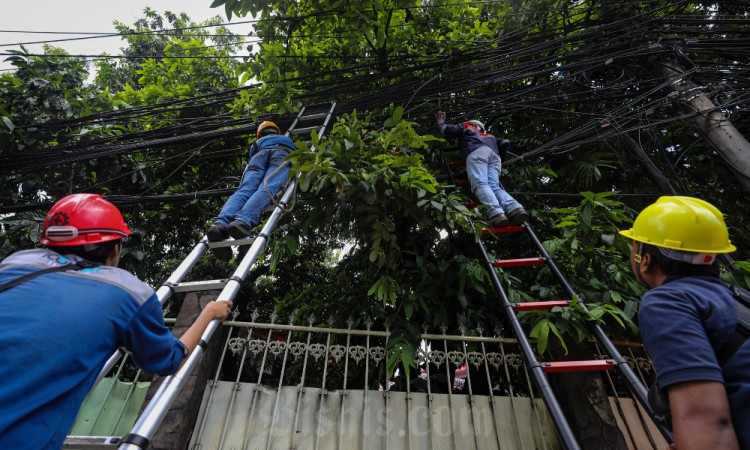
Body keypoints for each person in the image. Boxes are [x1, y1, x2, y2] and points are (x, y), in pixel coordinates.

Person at [0, 194, 233, 450]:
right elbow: (169, 361)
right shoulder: (128, 292)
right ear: (114, 249)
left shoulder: (14, 264)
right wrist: (208, 313)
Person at [619, 196, 748, 450]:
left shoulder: (668, 302)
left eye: (634, 246)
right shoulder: (740, 299)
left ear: (645, 260)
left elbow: (705, 418)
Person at [207, 120, 296, 260]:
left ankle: (220, 225)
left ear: (259, 134)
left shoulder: (257, 143)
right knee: (267, 187)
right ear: (276, 131)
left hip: (258, 156)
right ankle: (242, 221)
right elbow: (297, 156)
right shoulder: (286, 140)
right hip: (281, 154)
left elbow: (251, 156)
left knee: (244, 191)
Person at [435, 111, 528, 227]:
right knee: (494, 186)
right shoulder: (490, 136)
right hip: (494, 157)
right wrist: (500, 162)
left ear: (472, 124)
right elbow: (505, 142)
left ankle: (496, 213)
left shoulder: (467, 126)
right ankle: (515, 209)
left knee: (480, 183)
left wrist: (440, 123)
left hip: (476, 153)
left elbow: (445, 129)